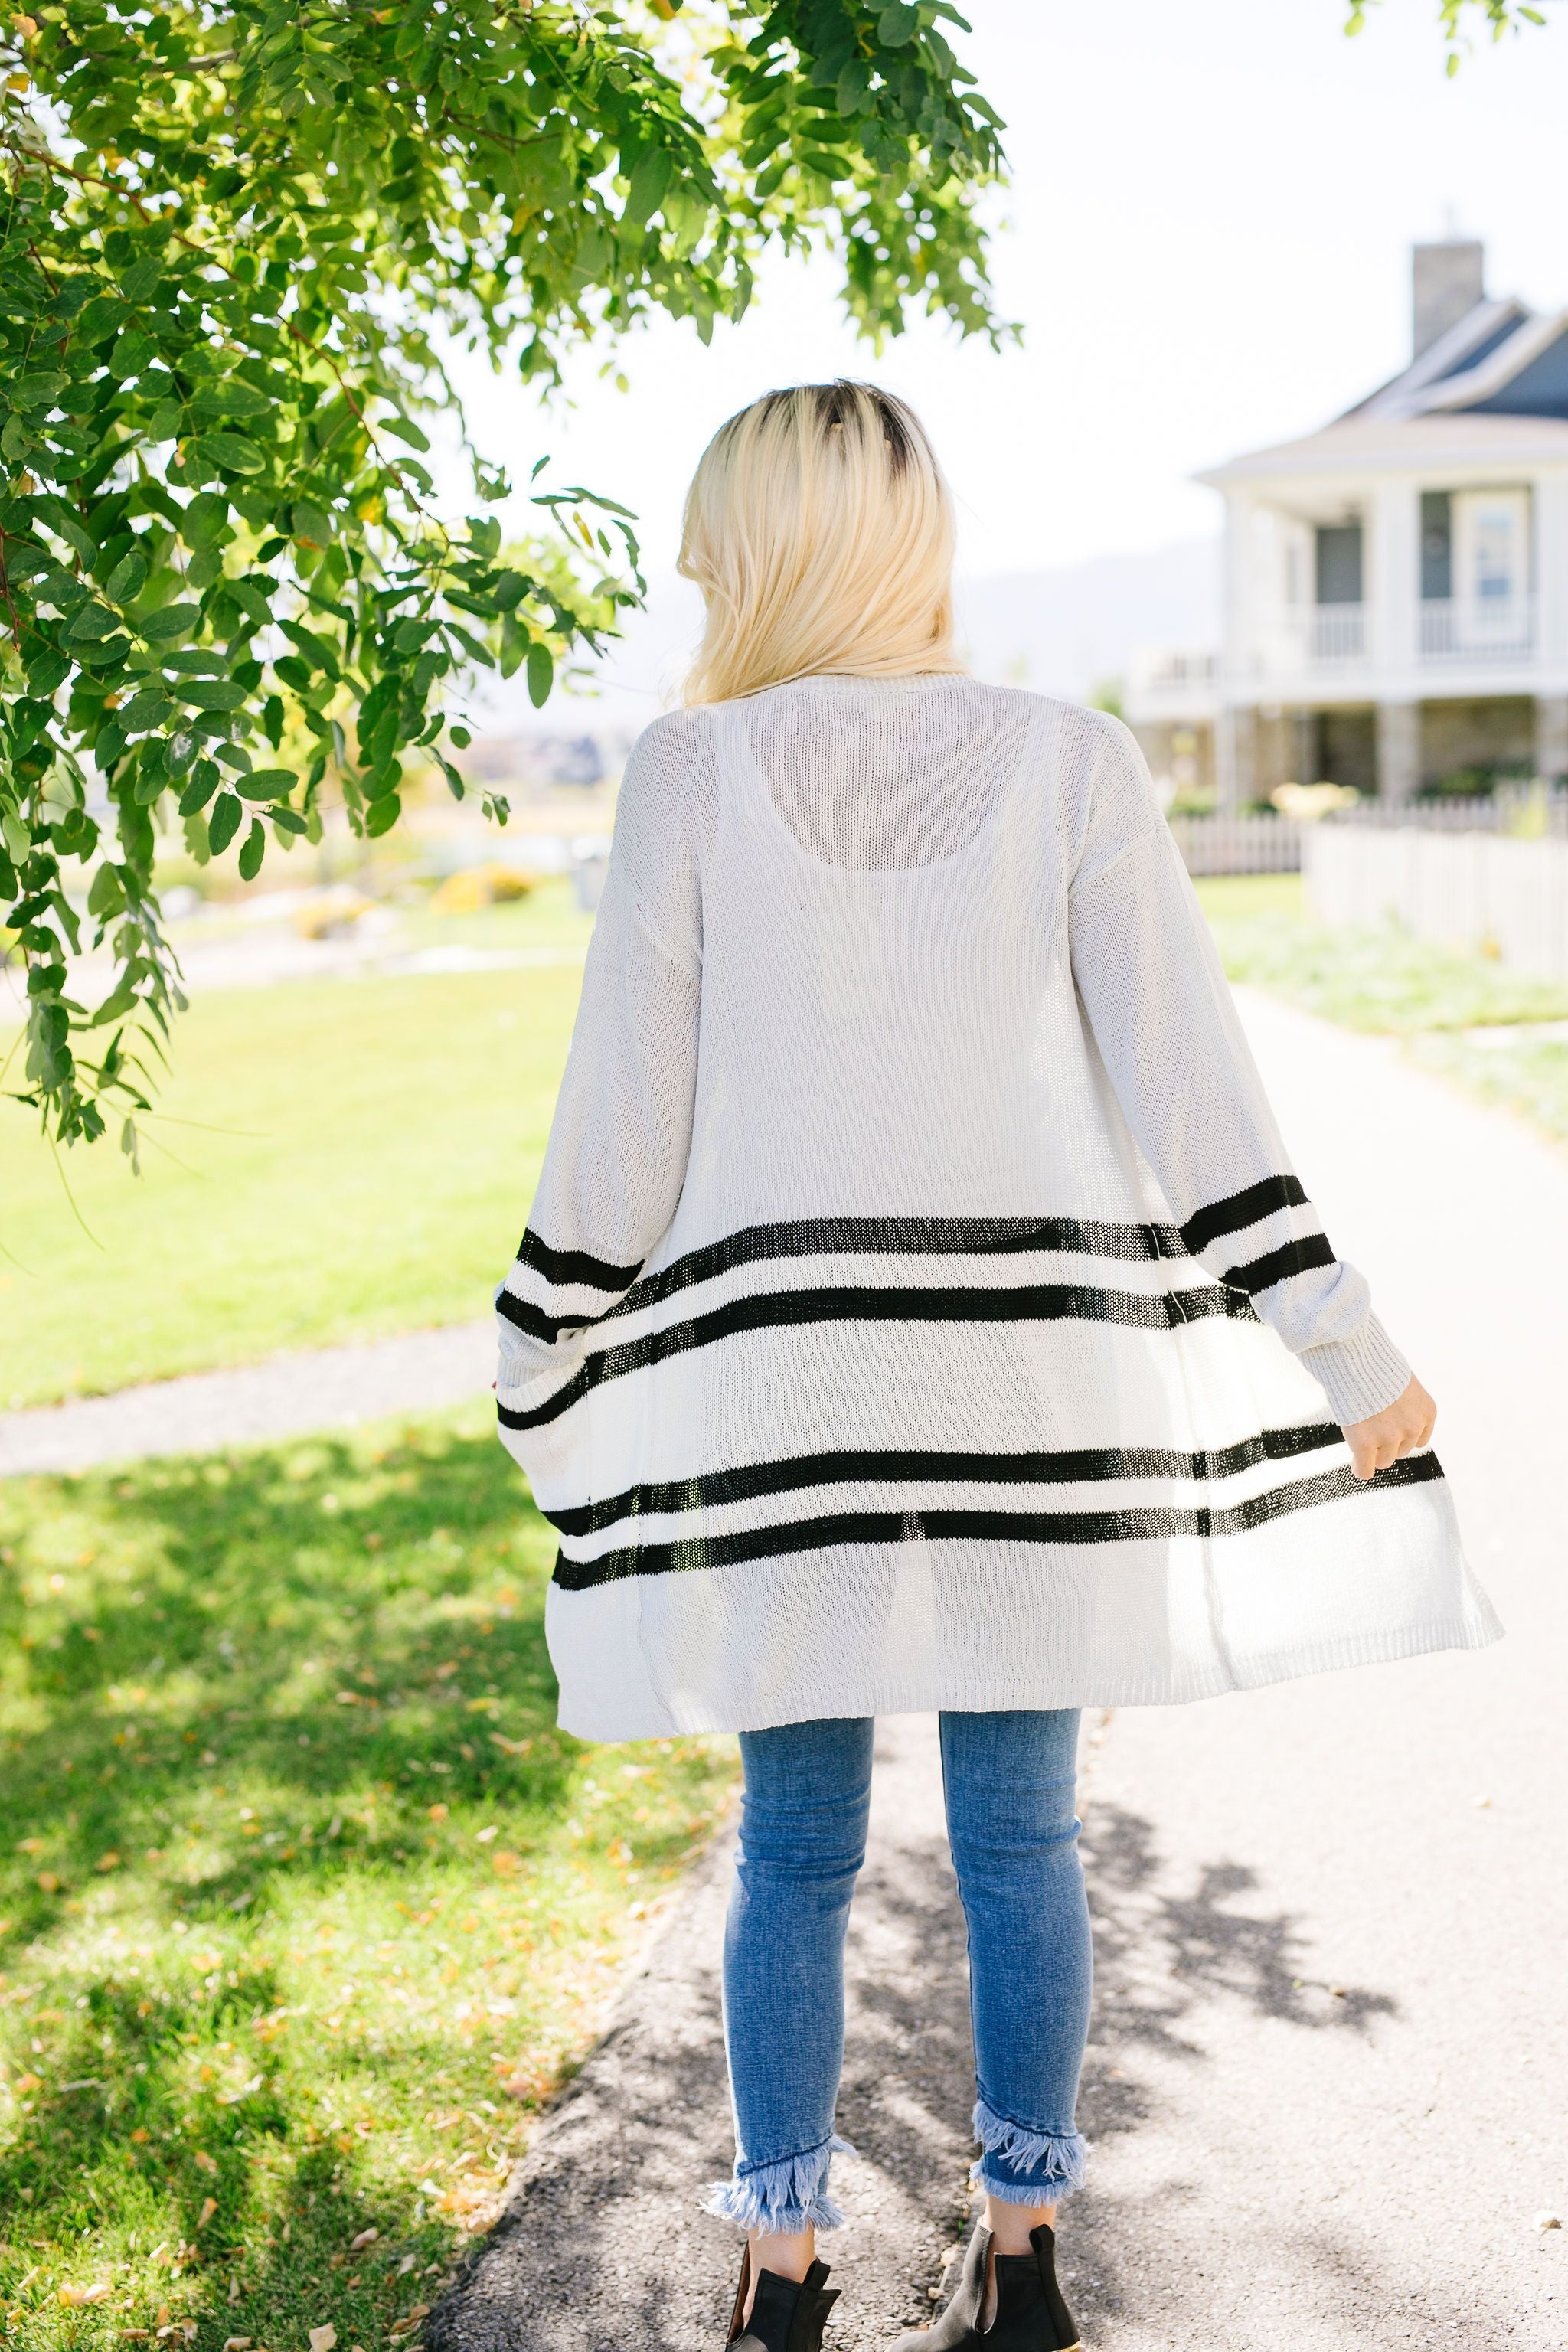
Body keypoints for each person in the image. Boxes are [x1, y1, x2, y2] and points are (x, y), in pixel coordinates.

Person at [493, 384, 1500, 2351]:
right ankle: (1022, 2248)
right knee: (1022, 1841)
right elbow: (1193, 1096)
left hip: (787, 1407)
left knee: (792, 1848)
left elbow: (622, 1128)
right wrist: (1343, 1348)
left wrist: (536, 1342)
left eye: (713, 536)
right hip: (1034, 1399)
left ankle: (780, 2272)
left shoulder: (687, 774)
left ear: (761, 541)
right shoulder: (1076, 760)